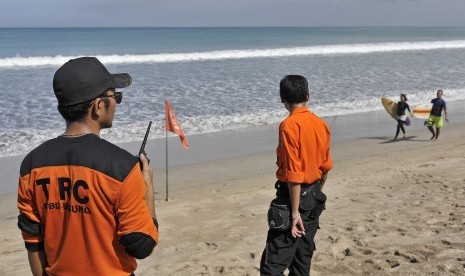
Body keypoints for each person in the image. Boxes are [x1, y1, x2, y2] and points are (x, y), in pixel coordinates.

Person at [17, 57, 159, 276]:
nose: (116, 104)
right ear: (98, 106)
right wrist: (147, 187)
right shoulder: (121, 168)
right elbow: (142, 244)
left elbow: (33, 241)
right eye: (115, 97)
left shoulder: (31, 165)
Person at [260, 75, 333, 275]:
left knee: (271, 267)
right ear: (308, 96)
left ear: (281, 98)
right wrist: (315, 192)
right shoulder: (321, 124)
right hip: (314, 198)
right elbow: (326, 167)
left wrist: (294, 214)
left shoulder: (288, 126)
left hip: (292, 202)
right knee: (301, 264)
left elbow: (294, 174)